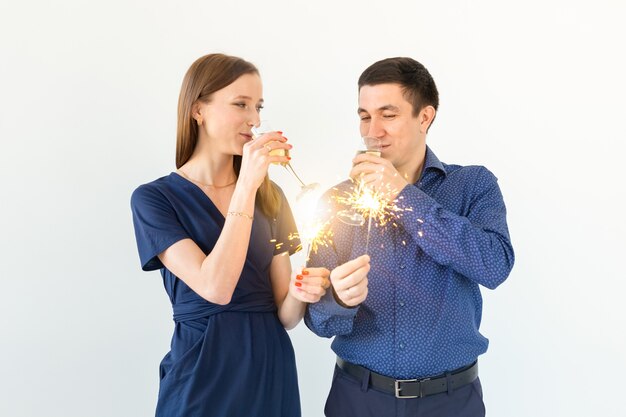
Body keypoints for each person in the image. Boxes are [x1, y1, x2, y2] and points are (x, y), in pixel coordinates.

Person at [305, 57, 515, 417]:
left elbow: (494, 266)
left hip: (451, 402)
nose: (373, 131)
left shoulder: (473, 185)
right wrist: (337, 299)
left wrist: (402, 195)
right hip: (357, 399)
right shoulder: (338, 201)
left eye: (388, 115)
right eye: (364, 115)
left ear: (425, 117)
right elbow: (318, 321)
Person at [130, 53, 331, 417]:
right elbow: (216, 287)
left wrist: (301, 292)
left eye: (258, 107)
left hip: (269, 369)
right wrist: (247, 186)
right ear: (198, 110)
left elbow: (284, 315)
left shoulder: (271, 197)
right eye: (240, 105)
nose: (254, 120)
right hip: (201, 374)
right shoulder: (154, 199)